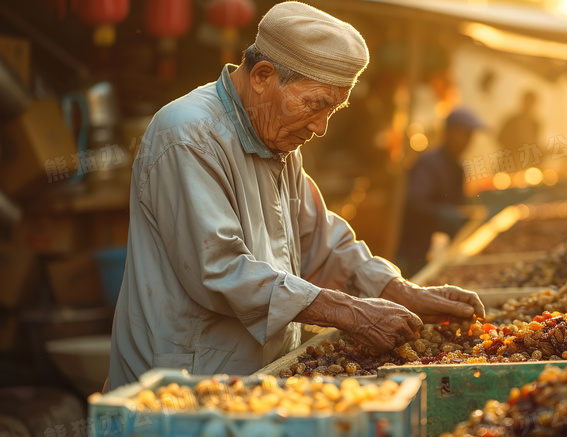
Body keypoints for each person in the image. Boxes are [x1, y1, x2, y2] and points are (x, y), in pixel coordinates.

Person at [106, 2, 484, 390]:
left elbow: (318, 240)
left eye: (333, 110)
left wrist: (400, 291)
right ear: (262, 76)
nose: (321, 127)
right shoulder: (189, 135)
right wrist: (351, 312)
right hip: (180, 386)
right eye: (316, 105)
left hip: (252, 378)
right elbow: (220, 269)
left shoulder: (276, 138)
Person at [396, 108, 485, 276]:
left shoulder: (458, 168)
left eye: (470, 136)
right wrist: (442, 213)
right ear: (449, 133)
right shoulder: (429, 163)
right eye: (464, 134)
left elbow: (458, 203)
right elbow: (413, 202)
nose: (468, 141)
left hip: (438, 248)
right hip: (415, 248)